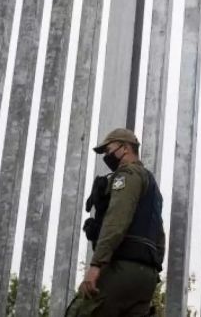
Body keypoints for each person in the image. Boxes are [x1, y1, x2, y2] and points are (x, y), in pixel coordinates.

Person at [65, 128, 165, 317]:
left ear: (125, 148)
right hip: (147, 277)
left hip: (122, 268)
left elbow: (117, 220)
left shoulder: (126, 175)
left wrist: (96, 265)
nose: (106, 156)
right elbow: (159, 235)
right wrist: (152, 271)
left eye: (108, 150)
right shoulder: (152, 186)